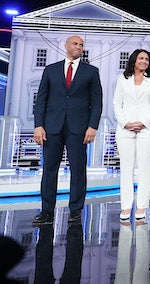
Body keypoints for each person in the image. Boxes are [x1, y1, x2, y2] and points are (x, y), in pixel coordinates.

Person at [32, 35, 103, 226]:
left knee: (78, 170)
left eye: (81, 45)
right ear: (66, 46)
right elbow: (41, 100)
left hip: (79, 128)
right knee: (49, 169)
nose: (78, 47)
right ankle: (47, 211)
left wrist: (92, 126)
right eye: (75, 43)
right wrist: (38, 125)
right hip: (51, 127)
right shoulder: (51, 70)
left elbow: (97, 103)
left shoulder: (91, 71)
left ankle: (75, 211)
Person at [113, 49, 150, 221]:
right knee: (126, 169)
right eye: (141, 58)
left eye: (147, 59)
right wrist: (125, 122)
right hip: (125, 129)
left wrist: (142, 122)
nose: (144, 61)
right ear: (134, 60)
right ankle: (126, 206)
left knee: (144, 169)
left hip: (146, 129)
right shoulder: (122, 79)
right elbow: (117, 103)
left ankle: (141, 206)